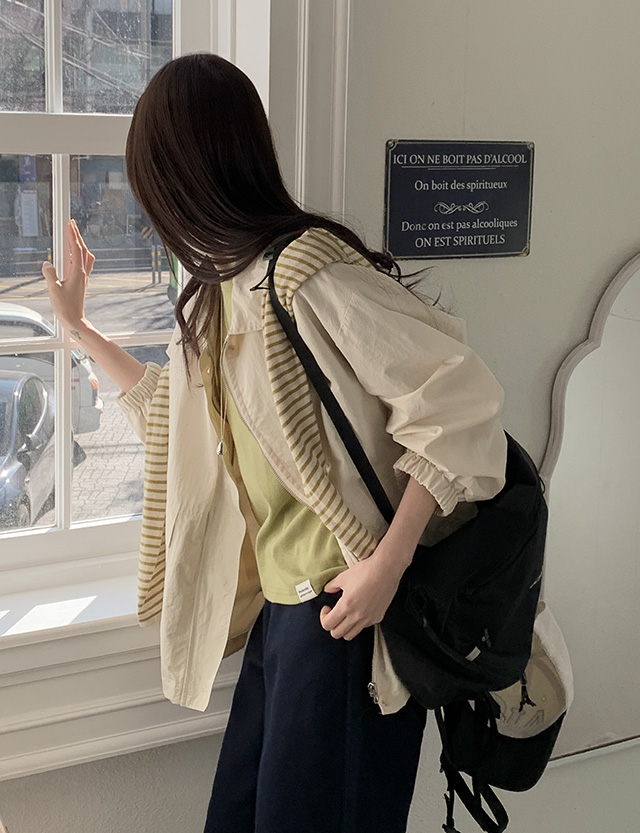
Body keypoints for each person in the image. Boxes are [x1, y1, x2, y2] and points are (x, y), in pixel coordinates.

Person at [42, 54, 507, 833]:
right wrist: (80, 329)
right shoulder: (220, 290)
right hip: (286, 615)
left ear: (187, 176)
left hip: (347, 617)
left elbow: (457, 400)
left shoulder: (302, 274)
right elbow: (179, 426)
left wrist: (387, 566)